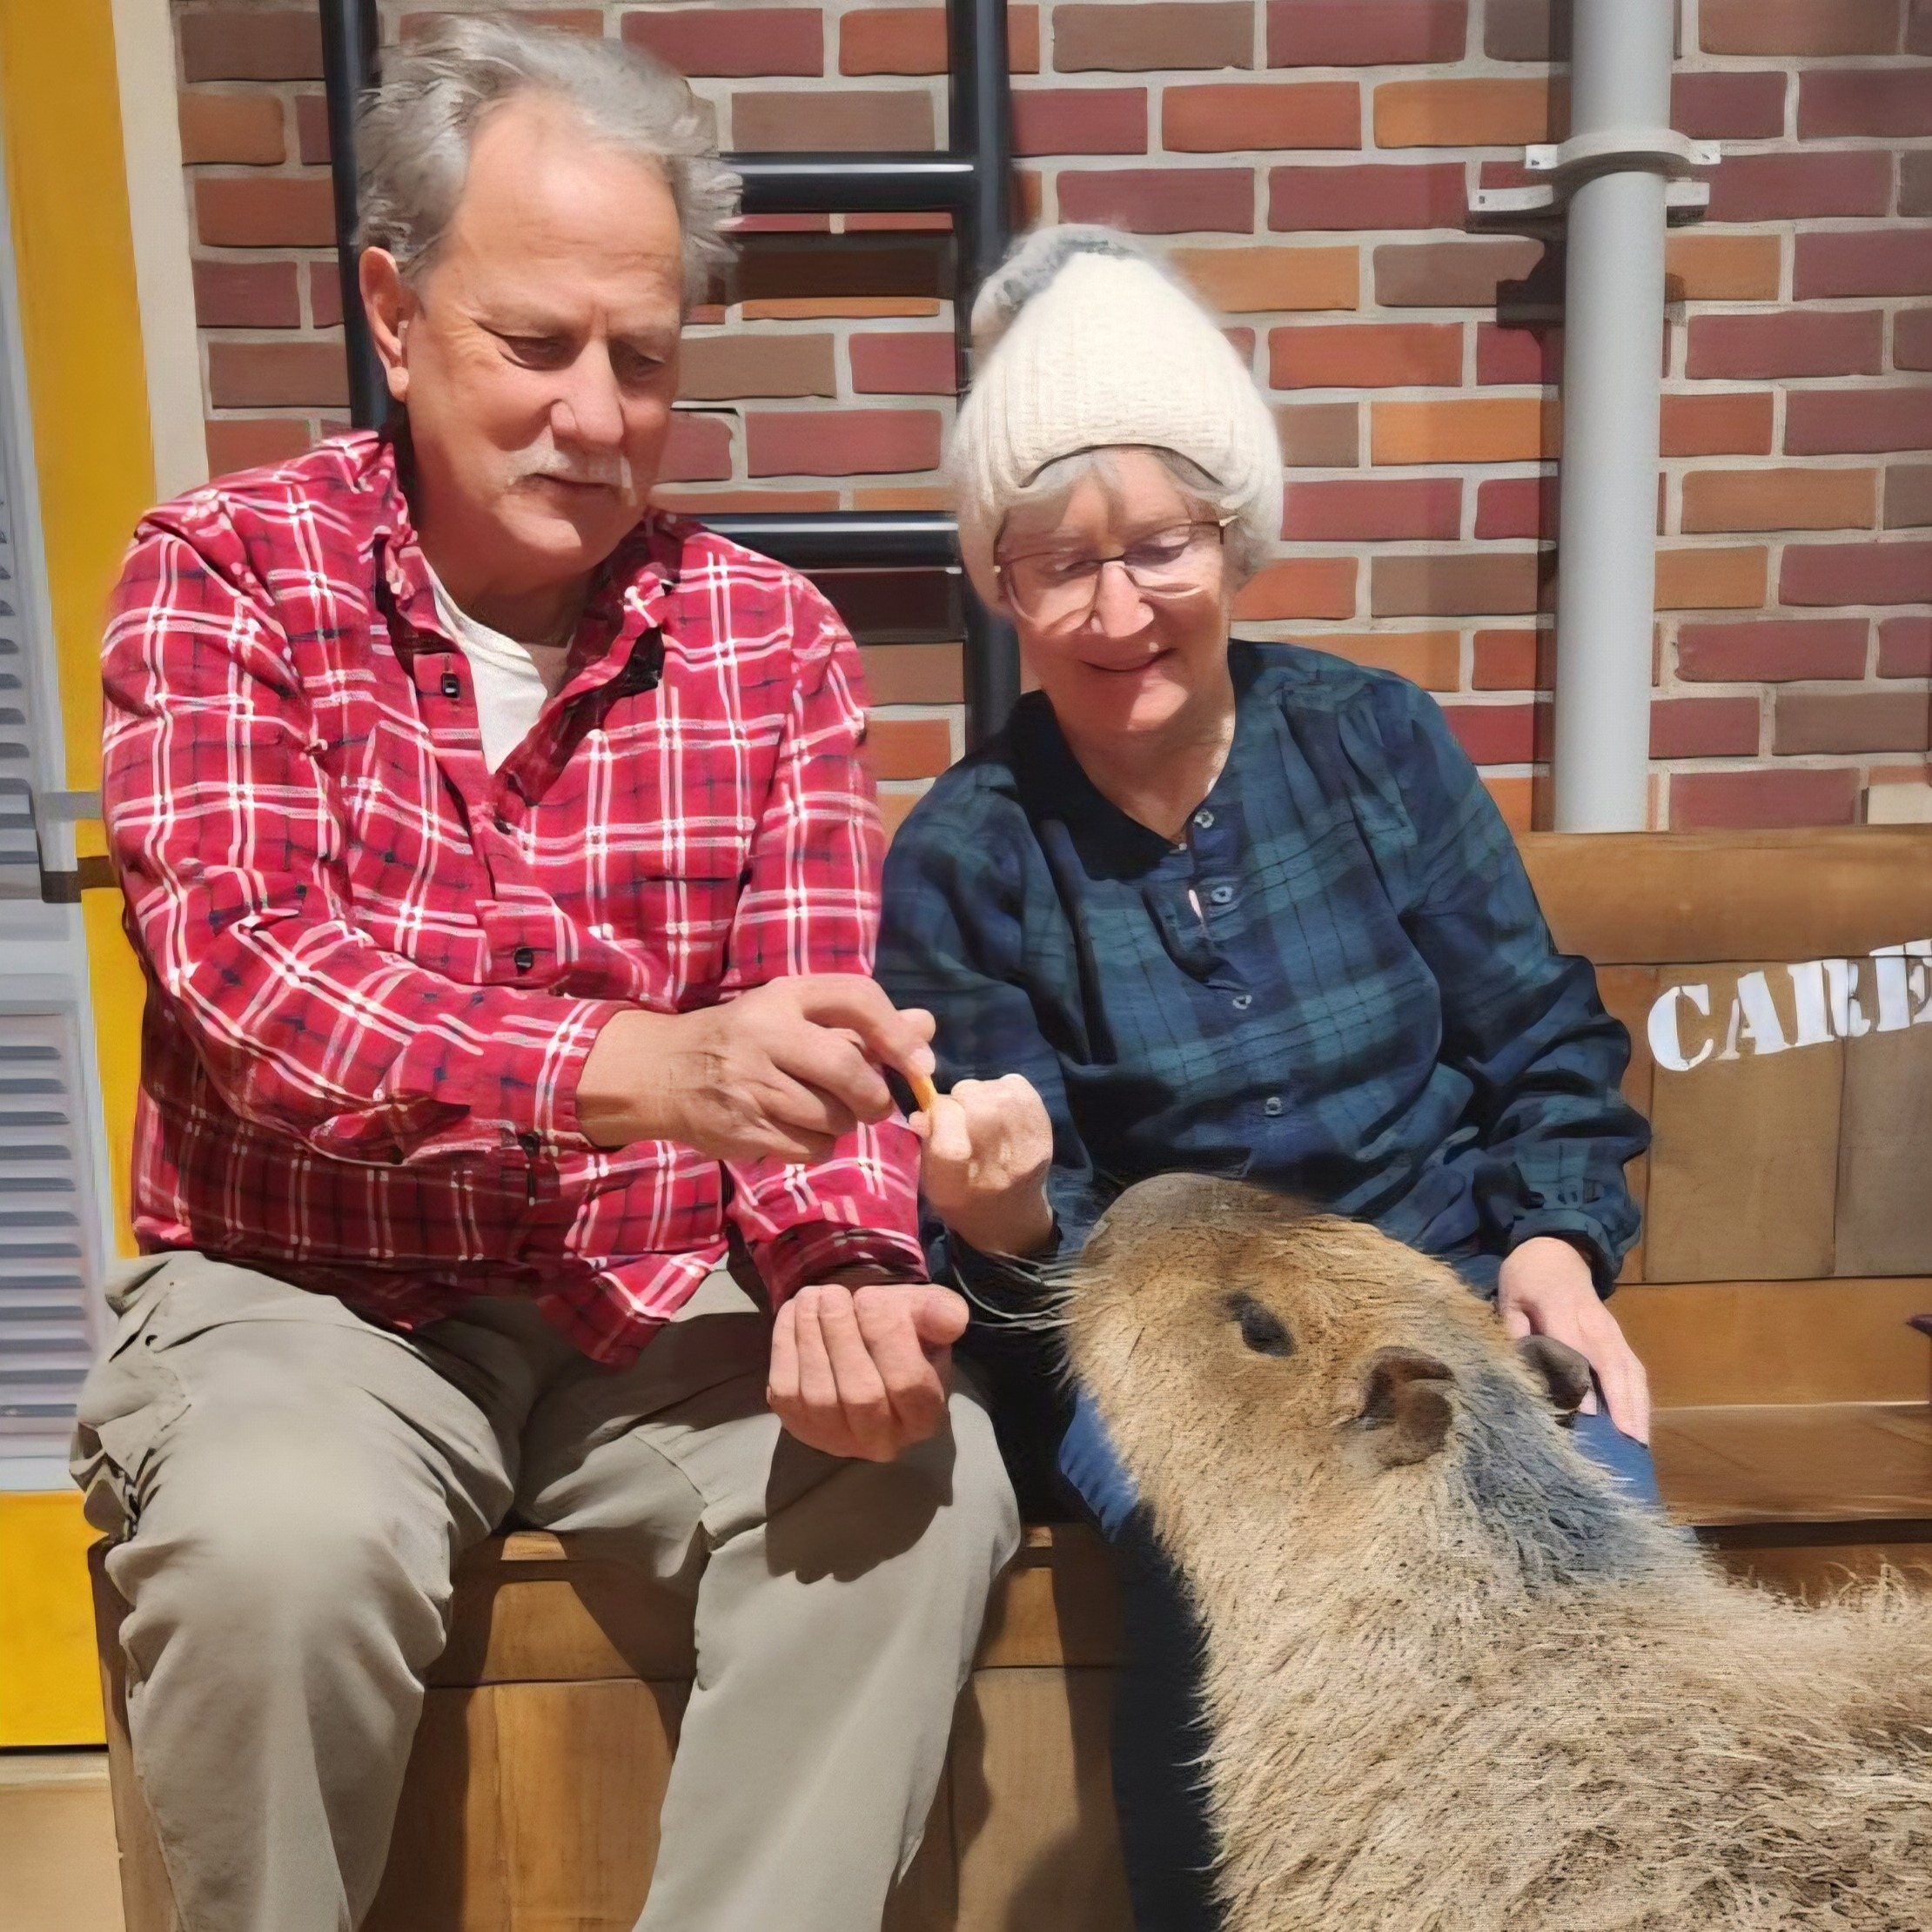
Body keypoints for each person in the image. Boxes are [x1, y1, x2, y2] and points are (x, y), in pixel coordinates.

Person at [72, 22, 1017, 1932]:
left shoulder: (775, 644)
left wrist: (844, 1261)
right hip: (303, 1295)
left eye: (645, 356)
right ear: (395, 314)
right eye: (537, 343)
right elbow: (253, 984)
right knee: (274, 1542)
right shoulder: (229, 572)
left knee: (924, 1476)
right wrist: (634, 1069)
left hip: (648, 1309)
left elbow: (810, 1000)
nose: (597, 413)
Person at [875, 226, 1654, 1931]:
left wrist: (1555, 1252)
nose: (1118, 608)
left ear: (1233, 535)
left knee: (1578, 1524)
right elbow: (1041, 1256)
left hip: (1446, 1281)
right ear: (1001, 585)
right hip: (1166, 1337)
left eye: (1159, 547)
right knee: (1254, 1570)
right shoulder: (966, 858)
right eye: (1059, 565)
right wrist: (999, 1218)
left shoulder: (1371, 739)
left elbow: (1544, 1048)